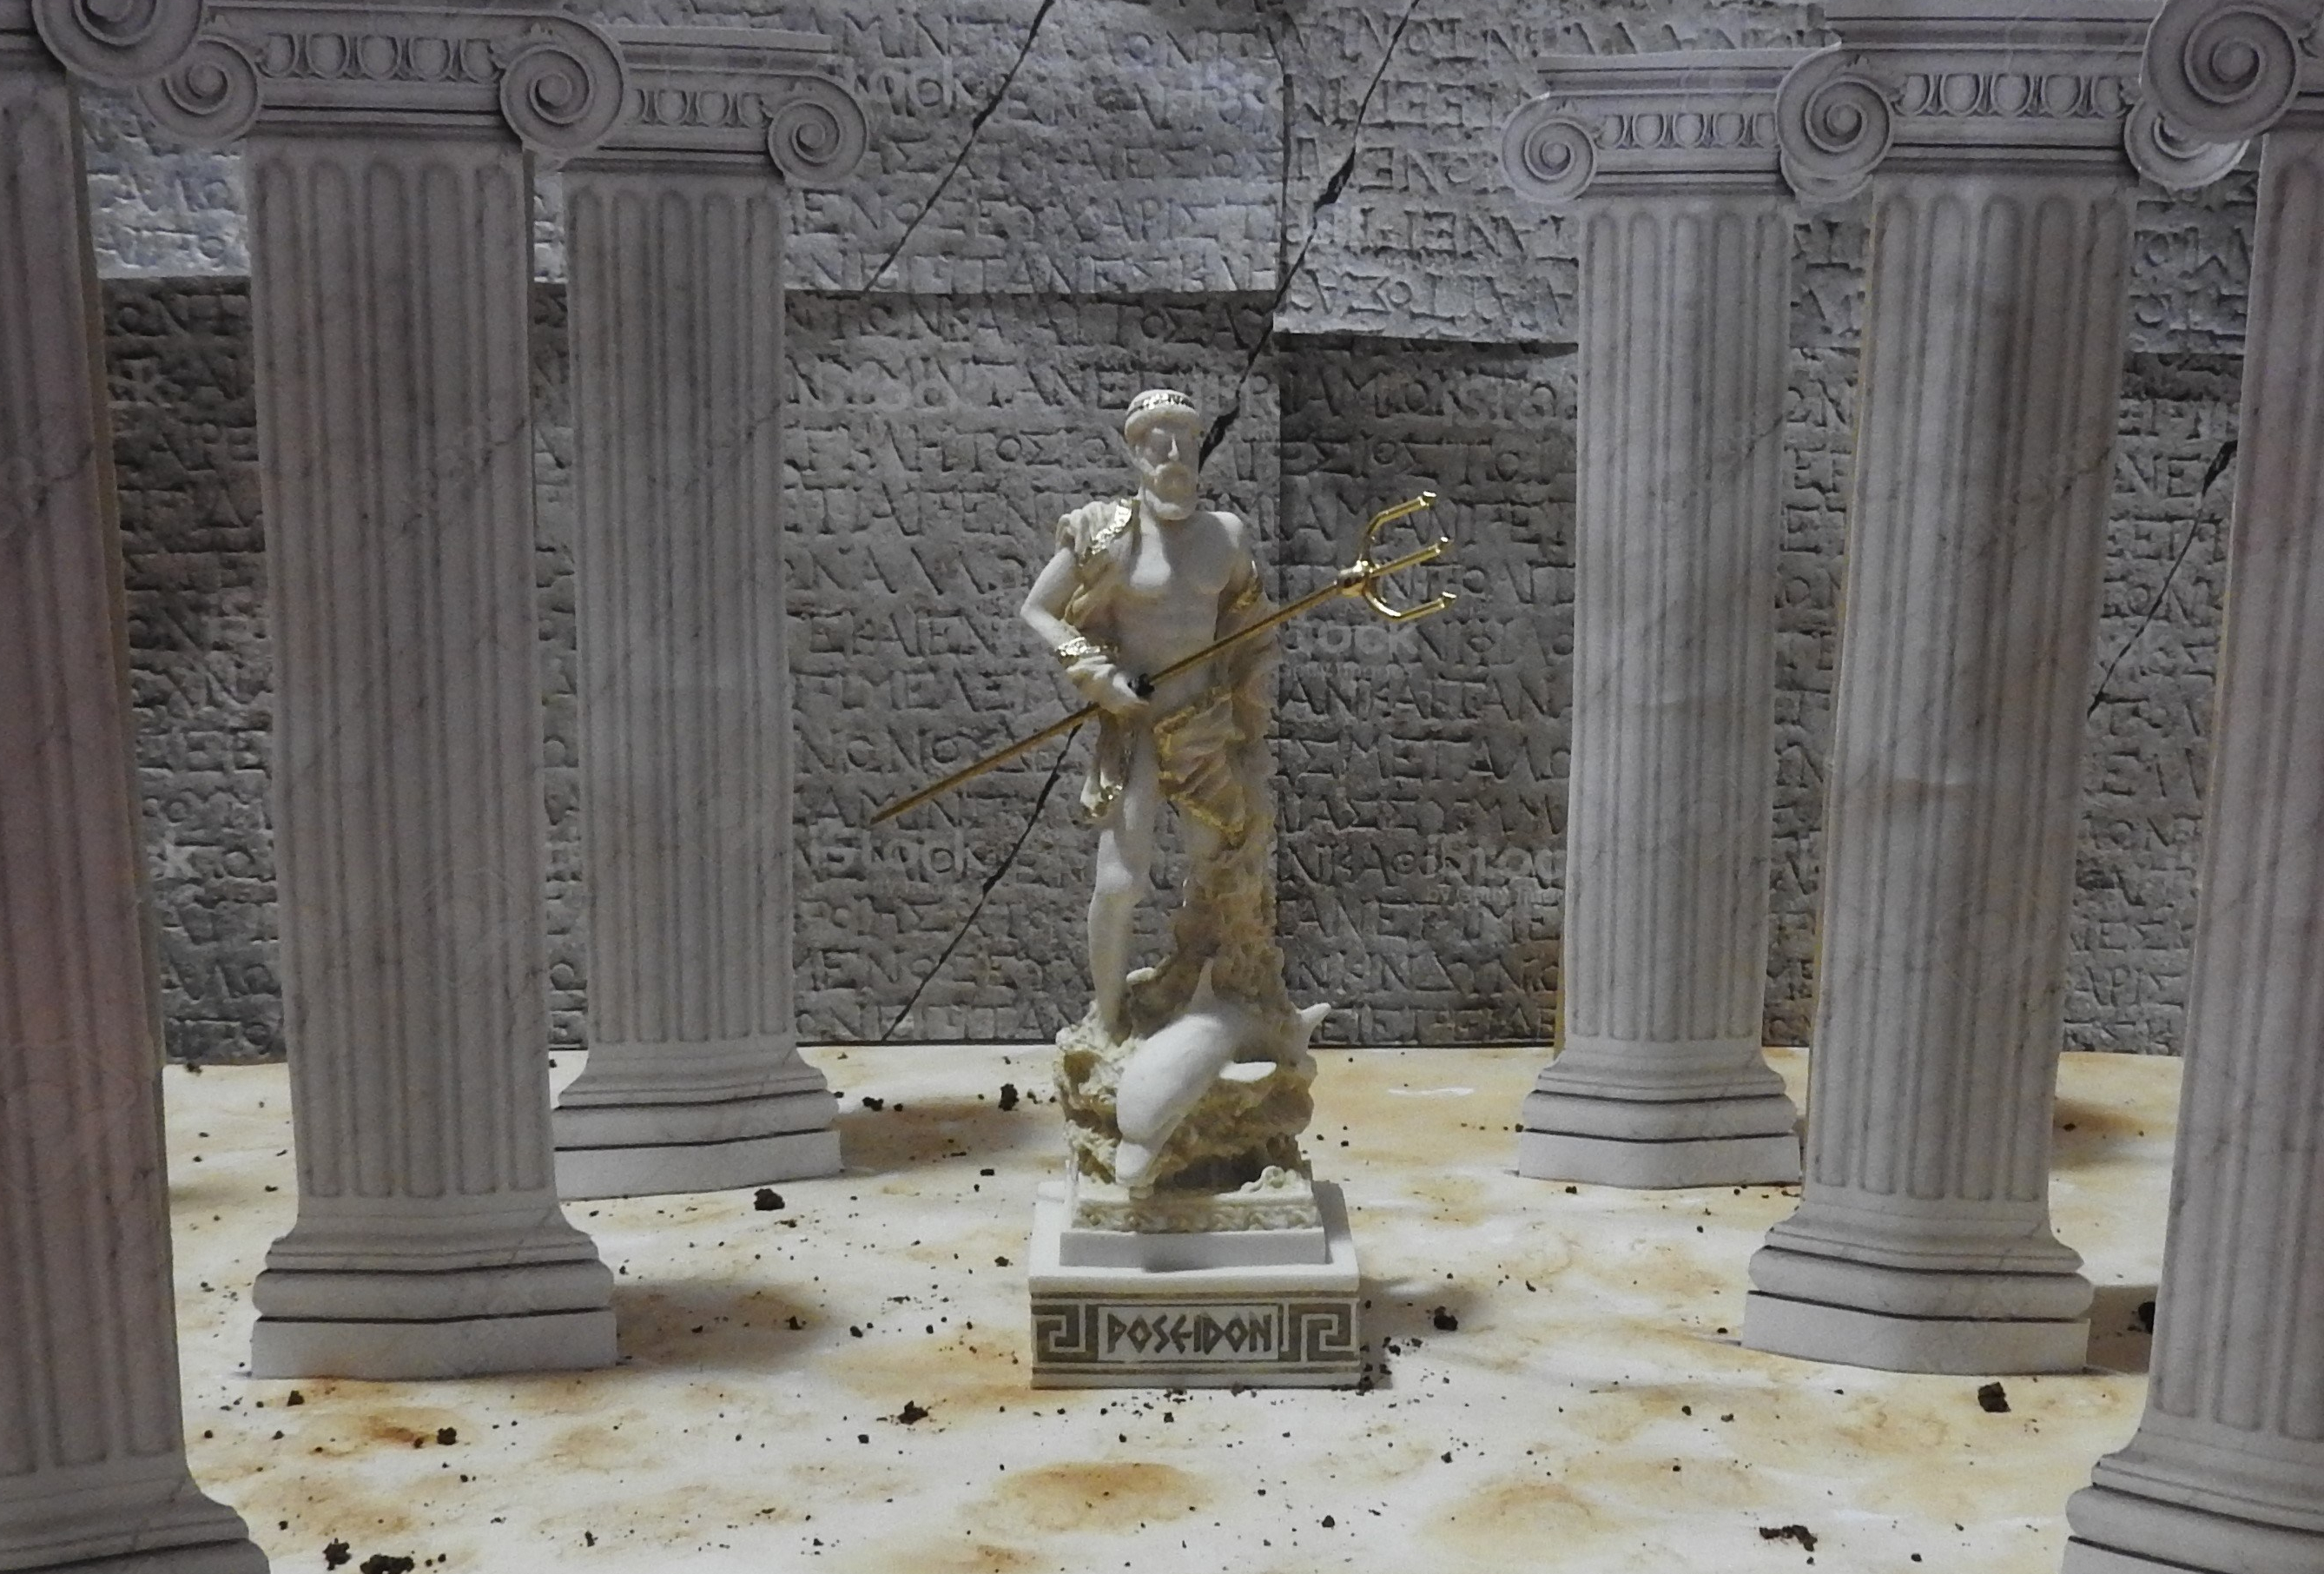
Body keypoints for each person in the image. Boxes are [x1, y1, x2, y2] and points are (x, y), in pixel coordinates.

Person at [1020, 389, 1281, 1042]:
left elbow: (1250, 631)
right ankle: (1107, 1022)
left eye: (1185, 442)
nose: (1173, 455)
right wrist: (1098, 675)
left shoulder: (1226, 536)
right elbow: (1038, 610)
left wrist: (1251, 724)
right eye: (1158, 443)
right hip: (1135, 729)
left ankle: (1207, 1007)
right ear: (1135, 453)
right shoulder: (1105, 532)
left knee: (1217, 870)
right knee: (1119, 882)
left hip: (1204, 730)